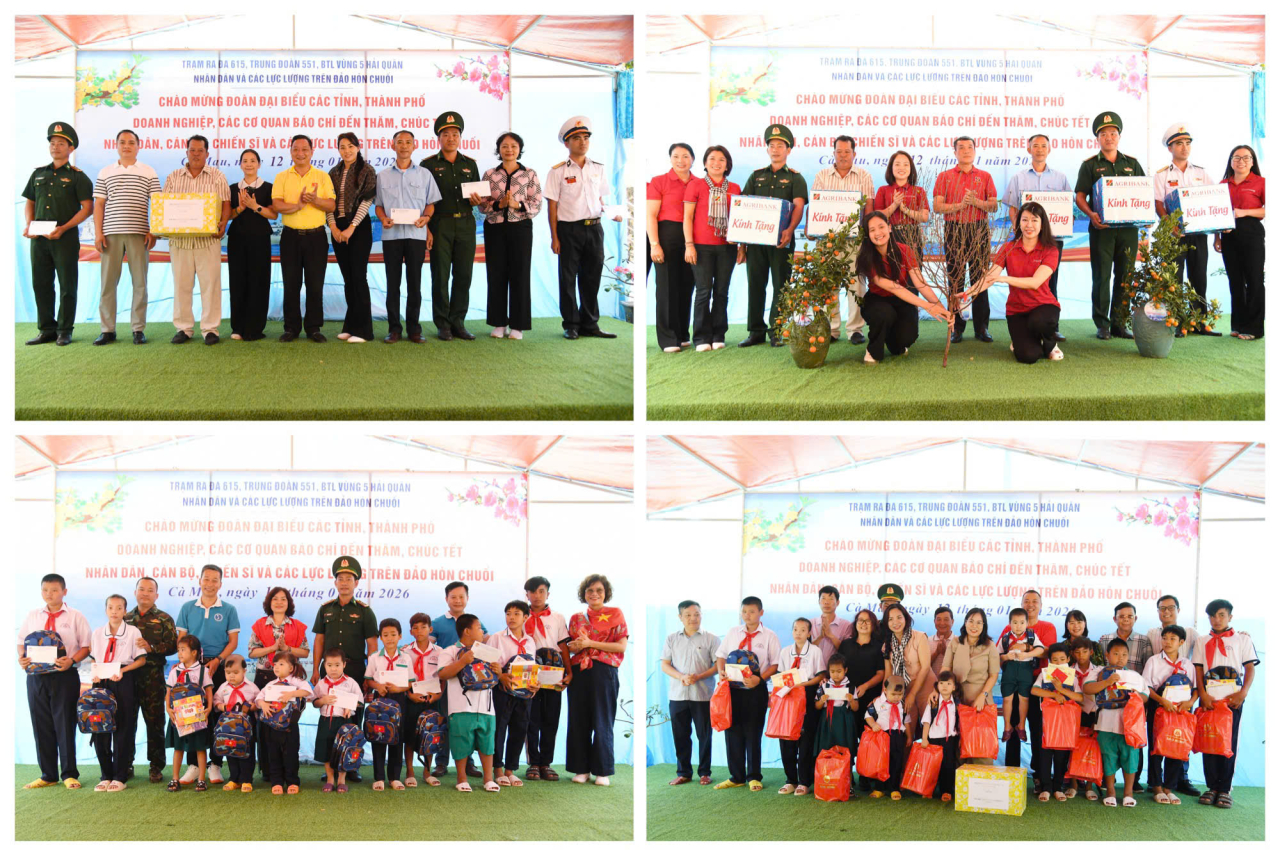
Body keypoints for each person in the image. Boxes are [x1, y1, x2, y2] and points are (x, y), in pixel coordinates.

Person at [546, 115, 620, 340]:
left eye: (586, 137)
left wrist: (611, 212)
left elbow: (600, 199)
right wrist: (554, 237)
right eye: (577, 138)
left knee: (592, 277)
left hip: (594, 229)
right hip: (569, 230)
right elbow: (552, 206)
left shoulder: (598, 168)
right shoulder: (558, 171)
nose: (582, 142)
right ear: (567, 143)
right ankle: (571, 324)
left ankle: (590, 323)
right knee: (568, 278)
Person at [22, 122, 94, 346]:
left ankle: (64, 330)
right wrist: (29, 225)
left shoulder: (77, 177)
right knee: (41, 283)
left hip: (65, 237)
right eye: (52, 143)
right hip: (39, 238)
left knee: (67, 284)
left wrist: (64, 227)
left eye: (61, 143)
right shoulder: (38, 174)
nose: (55, 147)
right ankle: (46, 329)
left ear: (71, 148)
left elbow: (87, 208)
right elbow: (30, 202)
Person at [1075, 111, 1145, 340]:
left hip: (1128, 230)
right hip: (1101, 230)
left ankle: (1119, 323)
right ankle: (1102, 324)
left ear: (1119, 136)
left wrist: (1145, 216)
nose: (1109, 138)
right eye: (1104, 134)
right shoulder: (1090, 165)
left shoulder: (1132, 164)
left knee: (1126, 275)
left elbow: (1143, 192)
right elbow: (1080, 196)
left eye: (1113, 133)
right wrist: (1091, 215)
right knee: (1102, 276)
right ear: (1097, 139)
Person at [739, 124, 808, 348]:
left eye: (780, 145)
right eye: (772, 145)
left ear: (789, 150)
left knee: (781, 286)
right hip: (756, 242)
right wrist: (742, 244)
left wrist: (790, 230)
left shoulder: (796, 178)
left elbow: (799, 206)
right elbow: (744, 207)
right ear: (767, 149)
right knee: (755, 285)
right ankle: (755, 331)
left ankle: (776, 331)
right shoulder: (756, 176)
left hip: (782, 241)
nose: (775, 149)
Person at [968, 201, 1063, 364]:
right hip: (1017, 310)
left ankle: (1050, 344)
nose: (1029, 225)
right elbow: (990, 277)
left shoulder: (1050, 250)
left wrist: (1004, 279)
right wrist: (967, 293)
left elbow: (1035, 282)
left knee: (1040, 322)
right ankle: (1022, 341)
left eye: (1034, 220)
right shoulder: (1008, 247)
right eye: (1025, 220)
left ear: (1042, 225)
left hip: (1043, 306)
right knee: (1029, 356)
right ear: (1018, 223)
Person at [854, 212, 950, 364]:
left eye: (881, 227)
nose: (878, 233)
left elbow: (920, 283)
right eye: (872, 230)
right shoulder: (867, 257)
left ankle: (892, 341)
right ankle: (873, 350)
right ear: (868, 235)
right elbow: (894, 288)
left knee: (906, 338)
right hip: (876, 300)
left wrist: (941, 308)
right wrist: (927, 306)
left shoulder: (905, 250)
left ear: (889, 228)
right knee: (884, 314)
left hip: (900, 300)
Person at [1003, 134, 1073, 342]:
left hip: (1051, 240)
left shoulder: (1060, 178)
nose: (1040, 149)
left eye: (1044, 146)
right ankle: (1025, 324)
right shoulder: (1018, 178)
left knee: (1050, 282)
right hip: (1026, 240)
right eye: (1035, 146)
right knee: (1024, 278)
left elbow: (1067, 206)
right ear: (1029, 149)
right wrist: (1019, 230)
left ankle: (1052, 328)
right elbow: (1013, 209)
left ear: (1049, 149)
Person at [174, 564, 239, 785]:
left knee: (217, 714)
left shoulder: (229, 609)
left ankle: (215, 764)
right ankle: (193, 765)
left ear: (220, 584)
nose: (210, 584)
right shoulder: (187, 607)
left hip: (218, 666)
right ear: (199, 581)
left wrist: (218, 660)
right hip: (192, 667)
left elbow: (233, 642)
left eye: (214, 580)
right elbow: (181, 640)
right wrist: (189, 663)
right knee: (192, 714)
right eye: (206, 579)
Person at [92, 129, 158, 346]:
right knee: (108, 283)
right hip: (110, 234)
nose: (126, 146)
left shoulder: (148, 171)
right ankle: (107, 330)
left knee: (140, 283)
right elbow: (99, 204)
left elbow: (157, 203)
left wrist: (153, 230)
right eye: (122, 142)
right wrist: (98, 233)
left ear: (139, 146)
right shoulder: (105, 172)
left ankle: (138, 329)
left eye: (131, 142)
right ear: (116, 145)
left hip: (139, 233)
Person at [1152, 124, 1219, 337]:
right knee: (1175, 279)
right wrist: (1169, 225)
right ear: (1170, 148)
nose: (1184, 147)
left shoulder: (1201, 172)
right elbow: (1158, 204)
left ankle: (1199, 322)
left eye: (1188, 143)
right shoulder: (1162, 175)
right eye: (1179, 143)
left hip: (1198, 234)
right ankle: (1177, 323)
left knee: (1199, 277)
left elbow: (1214, 199)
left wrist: (1217, 232)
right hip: (1174, 235)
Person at [162, 135, 229, 345]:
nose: (196, 154)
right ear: (186, 152)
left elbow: (226, 203)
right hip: (180, 242)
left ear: (207, 153)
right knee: (181, 286)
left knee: (210, 287)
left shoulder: (217, 176)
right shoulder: (173, 177)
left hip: (207, 241)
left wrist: (223, 223)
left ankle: (210, 329)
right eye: (192, 150)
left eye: (200, 150)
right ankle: (183, 328)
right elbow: (165, 205)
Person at [1192, 598, 1258, 809]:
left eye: (1221, 615)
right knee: (1210, 741)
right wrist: (1203, 694)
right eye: (1212, 616)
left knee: (1229, 743)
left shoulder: (1242, 639)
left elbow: (1250, 668)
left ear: (1230, 617)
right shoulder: (1202, 641)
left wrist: (1243, 693)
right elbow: (1199, 670)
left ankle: (1225, 789)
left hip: (1232, 700)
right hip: (1210, 700)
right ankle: (1212, 786)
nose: (1217, 619)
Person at [376, 130, 441, 344]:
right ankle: (394, 329)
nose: (404, 146)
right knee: (392, 284)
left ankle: (414, 329)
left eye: (408, 142)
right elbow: (378, 206)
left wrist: (426, 218)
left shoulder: (424, 174)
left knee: (414, 284)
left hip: (416, 235)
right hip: (392, 236)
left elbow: (430, 204)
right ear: (392, 145)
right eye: (400, 142)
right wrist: (383, 218)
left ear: (414, 146)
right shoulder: (383, 175)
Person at [476, 132, 541, 340]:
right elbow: (482, 204)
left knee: (520, 274)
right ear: (499, 149)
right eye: (504, 146)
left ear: (519, 149)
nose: (509, 150)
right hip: (494, 228)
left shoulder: (529, 174)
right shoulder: (489, 174)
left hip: (520, 228)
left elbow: (537, 203)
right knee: (496, 274)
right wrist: (499, 204)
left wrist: (517, 204)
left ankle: (518, 326)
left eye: (513, 146)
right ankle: (499, 323)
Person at [934, 136, 999, 343]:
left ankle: (982, 328)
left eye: (970, 147)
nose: (966, 151)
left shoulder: (985, 176)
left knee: (980, 279)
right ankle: (956, 327)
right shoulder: (944, 176)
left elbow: (994, 206)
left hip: (978, 229)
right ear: (955, 152)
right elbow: (937, 207)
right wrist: (960, 206)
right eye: (961, 148)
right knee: (956, 280)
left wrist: (975, 202)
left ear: (975, 151)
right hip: (954, 229)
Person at [422, 112, 480, 341]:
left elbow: (478, 197)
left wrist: (477, 201)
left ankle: (458, 322)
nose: (451, 138)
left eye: (455, 134)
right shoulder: (428, 165)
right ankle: (443, 324)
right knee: (440, 275)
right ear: (439, 138)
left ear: (460, 137)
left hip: (466, 223)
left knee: (464, 275)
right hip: (440, 224)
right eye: (446, 134)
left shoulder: (470, 164)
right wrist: (426, 228)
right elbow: (422, 200)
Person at [272, 134, 336, 343]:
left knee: (315, 285)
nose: (300, 153)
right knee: (291, 284)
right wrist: (298, 206)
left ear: (312, 151)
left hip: (316, 237)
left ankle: (313, 328)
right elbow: (277, 205)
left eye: (304, 149)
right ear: (290, 151)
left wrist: (315, 200)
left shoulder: (322, 176)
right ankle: (291, 328)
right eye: (296, 149)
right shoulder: (282, 177)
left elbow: (331, 205)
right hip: (290, 237)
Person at [566, 574, 628, 786]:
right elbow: (571, 646)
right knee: (578, 720)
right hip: (579, 672)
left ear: (606, 593)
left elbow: (621, 646)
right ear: (584, 594)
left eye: (599, 590)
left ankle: (602, 771)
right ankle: (581, 769)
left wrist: (590, 643)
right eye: (590, 590)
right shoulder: (576, 618)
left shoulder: (615, 614)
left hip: (604, 671)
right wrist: (576, 646)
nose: (594, 594)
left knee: (603, 720)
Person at [714, 595, 780, 791]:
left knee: (753, 733)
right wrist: (721, 672)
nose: (747, 615)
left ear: (761, 613)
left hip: (756, 689)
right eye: (744, 611)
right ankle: (736, 776)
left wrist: (760, 679)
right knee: (732, 731)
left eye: (752, 611)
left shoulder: (770, 635)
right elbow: (721, 656)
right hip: (733, 690)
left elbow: (775, 664)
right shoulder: (733, 632)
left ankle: (753, 776)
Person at [813, 135, 875, 343]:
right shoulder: (822, 176)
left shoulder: (864, 176)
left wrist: (866, 237)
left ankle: (855, 329)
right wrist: (812, 228)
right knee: (828, 285)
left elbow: (868, 208)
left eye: (847, 152)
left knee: (856, 285)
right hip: (827, 241)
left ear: (854, 154)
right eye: (839, 152)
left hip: (854, 241)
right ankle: (831, 329)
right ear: (833, 154)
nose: (843, 156)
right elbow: (815, 206)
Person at [997, 590, 1059, 791]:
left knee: (1038, 730)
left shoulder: (1047, 627)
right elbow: (999, 653)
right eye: (1026, 601)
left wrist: (1026, 648)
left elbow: (1049, 652)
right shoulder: (1008, 629)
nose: (1030, 604)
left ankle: (1039, 776)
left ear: (1041, 605)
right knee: (1014, 728)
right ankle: (1012, 773)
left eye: (1034, 601)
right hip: (1013, 681)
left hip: (1038, 684)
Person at [247, 586, 309, 781]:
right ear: (269, 602)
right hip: (266, 677)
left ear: (289, 603)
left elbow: (305, 652)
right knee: (266, 724)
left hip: (290, 679)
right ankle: (268, 771)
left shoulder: (297, 626)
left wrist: (286, 648)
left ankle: (288, 771)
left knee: (288, 721)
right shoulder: (260, 625)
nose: (279, 602)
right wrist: (273, 648)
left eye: (283, 599)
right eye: (275, 599)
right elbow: (252, 652)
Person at [683, 145, 741, 351]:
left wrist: (741, 245)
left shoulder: (735, 188)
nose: (717, 163)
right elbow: (687, 218)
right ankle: (701, 337)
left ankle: (718, 334)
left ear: (727, 165)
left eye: (722, 160)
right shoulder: (695, 185)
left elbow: (741, 219)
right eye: (712, 159)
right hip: (701, 247)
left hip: (727, 248)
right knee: (703, 292)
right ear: (705, 163)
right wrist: (689, 245)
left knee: (722, 292)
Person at [87, 594, 147, 791]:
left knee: (123, 726)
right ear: (106, 610)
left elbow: (141, 660)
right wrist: (95, 673)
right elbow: (94, 659)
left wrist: (123, 671)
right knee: (100, 725)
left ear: (125, 611)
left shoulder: (133, 631)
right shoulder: (97, 633)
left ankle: (120, 776)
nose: (114, 611)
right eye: (111, 607)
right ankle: (105, 775)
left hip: (123, 679)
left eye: (119, 608)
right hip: (101, 681)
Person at [1145, 594, 1202, 799]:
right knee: (1157, 746)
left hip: (1182, 709)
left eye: (1172, 639)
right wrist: (1162, 701)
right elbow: (1146, 687)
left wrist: (1190, 703)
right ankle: (1156, 786)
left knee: (1177, 744)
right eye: (1165, 638)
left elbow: (1196, 688)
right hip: (1159, 706)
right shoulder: (1153, 661)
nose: (1168, 642)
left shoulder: (1187, 664)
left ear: (1182, 642)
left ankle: (1170, 787)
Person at [435, 613, 500, 793]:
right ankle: (462, 778)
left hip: (486, 706)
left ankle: (488, 779)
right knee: (460, 742)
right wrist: (462, 662)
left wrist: (499, 671)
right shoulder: (449, 651)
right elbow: (443, 674)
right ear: (467, 631)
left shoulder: (487, 651)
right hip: (461, 706)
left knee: (487, 743)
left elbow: (494, 678)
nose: (482, 631)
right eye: (479, 628)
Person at [123, 577, 178, 783]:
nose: (145, 593)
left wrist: (151, 647)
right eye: (141, 589)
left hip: (153, 676)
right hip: (128, 677)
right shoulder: (125, 618)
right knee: (126, 721)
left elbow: (173, 646)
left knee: (155, 722)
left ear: (156, 595)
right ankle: (126, 764)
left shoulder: (164, 618)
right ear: (135, 592)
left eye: (149, 590)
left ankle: (156, 766)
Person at [432, 581, 488, 779]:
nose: (457, 600)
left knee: (467, 722)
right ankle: (441, 762)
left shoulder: (474, 622)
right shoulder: (437, 622)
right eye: (453, 597)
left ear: (467, 598)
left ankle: (469, 763)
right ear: (446, 599)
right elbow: (429, 646)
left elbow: (485, 642)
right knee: (445, 721)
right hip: (448, 680)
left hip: (472, 682)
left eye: (461, 597)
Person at [1085, 638, 1149, 807]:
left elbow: (1145, 695)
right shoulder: (1099, 672)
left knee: (1130, 757)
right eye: (1116, 653)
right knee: (1108, 757)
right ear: (1107, 655)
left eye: (1124, 654)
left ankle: (1128, 793)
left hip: (1129, 725)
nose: (1120, 658)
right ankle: (1111, 792)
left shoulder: (1134, 675)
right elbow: (1087, 688)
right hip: (1105, 723)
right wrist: (1107, 682)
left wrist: (1135, 695)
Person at [661, 599, 719, 786]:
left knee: (704, 735)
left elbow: (718, 666)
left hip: (703, 695)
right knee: (680, 735)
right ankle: (684, 772)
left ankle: (705, 773)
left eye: (696, 614)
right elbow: (665, 664)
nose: (693, 618)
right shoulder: (671, 638)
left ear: (701, 615)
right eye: (688, 615)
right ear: (680, 617)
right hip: (678, 695)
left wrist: (699, 676)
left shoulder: (711, 638)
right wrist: (681, 677)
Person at [327, 132, 378, 343]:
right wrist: (333, 227)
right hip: (337, 228)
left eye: (350, 146)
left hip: (358, 227)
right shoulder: (333, 172)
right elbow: (328, 203)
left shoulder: (367, 170)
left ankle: (364, 331)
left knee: (358, 277)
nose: (346, 150)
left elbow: (367, 202)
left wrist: (351, 227)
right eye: (342, 147)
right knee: (348, 279)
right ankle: (350, 326)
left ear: (358, 147)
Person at [524, 576, 573, 781]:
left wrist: (569, 672)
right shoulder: (520, 615)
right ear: (527, 594)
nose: (537, 596)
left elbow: (563, 646)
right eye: (533, 592)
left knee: (551, 718)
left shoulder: (558, 617)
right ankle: (533, 763)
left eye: (541, 591)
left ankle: (546, 763)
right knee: (531, 719)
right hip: (530, 672)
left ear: (548, 594)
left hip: (553, 672)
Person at [650, 143, 697, 352]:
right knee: (667, 287)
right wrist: (655, 244)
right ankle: (668, 338)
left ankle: (682, 334)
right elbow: (650, 215)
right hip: (667, 236)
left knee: (687, 285)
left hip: (692, 238)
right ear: (670, 159)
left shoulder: (699, 183)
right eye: (676, 156)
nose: (680, 160)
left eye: (685, 156)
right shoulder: (659, 181)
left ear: (693, 159)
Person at [1216, 145, 1265, 341]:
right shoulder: (1222, 184)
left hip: (1251, 233)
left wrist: (1244, 212)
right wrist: (1217, 237)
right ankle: (1238, 325)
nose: (1241, 161)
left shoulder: (1261, 182)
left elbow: (1268, 209)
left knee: (1254, 280)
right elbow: (1214, 212)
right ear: (1231, 161)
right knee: (1235, 281)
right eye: (1236, 157)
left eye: (1246, 157)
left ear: (1252, 162)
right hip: (1228, 236)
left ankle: (1254, 328)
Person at [226, 149, 276, 341]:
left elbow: (274, 214)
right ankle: (238, 328)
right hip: (237, 239)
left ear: (259, 164)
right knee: (237, 281)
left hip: (260, 238)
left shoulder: (268, 187)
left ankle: (255, 328)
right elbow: (227, 215)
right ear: (240, 165)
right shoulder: (232, 188)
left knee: (259, 281)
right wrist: (240, 208)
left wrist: (255, 207)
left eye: (253, 161)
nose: (249, 164)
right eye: (245, 161)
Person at [939, 607, 1000, 766]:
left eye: (979, 622)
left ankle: (981, 778)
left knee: (981, 744)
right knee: (957, 743)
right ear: (965, 623)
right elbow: (946, 668)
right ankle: (958, 778)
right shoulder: (956, 642)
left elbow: (993, 675)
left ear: (984, 625)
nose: (974, 626)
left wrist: (982, 696)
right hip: (957, 698)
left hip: (981, 700)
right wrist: (939, 689)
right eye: (971, 621)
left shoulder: (990, 646)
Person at [488, 600, 538, 786]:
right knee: (499, 729)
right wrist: (501, 676)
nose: (511, 617)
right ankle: (497, 769)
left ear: (526, 617)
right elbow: (488, 664)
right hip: (502, 691)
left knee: (519, 729)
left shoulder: (530, 641)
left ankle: (510, 770)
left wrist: (535, 685)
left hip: (525, 693)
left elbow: (532, 666)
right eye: (508, 613)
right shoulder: (497, 638)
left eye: (516, 614)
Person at [836, 608, 885, 790]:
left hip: (870, 698)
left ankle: (865, 775)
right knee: (847, 737)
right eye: (860, 620)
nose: (863, 624)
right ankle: (846, 774)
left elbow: (881, 673)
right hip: (847, 699)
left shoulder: (879, 646)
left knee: (866, 739)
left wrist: (865, 686)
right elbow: (838, 668)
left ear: (873, 625)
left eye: (867, 621)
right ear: (855, 624)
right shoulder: (846, 645)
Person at [776, 618, 826, 796]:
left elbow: (820, 675)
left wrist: (802, 684)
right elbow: (780, 676)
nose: (798, 633)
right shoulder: (785, 652)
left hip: (807, 696)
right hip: (788, 697)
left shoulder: (815, 651)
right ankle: (790, 780)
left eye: (803, 630)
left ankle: (804, 781)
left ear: (809, 633)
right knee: (786, 738)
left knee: (806, 740)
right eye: (795, 629)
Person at [1030, 643, 1085, 802]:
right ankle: (1046, 787)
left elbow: (1080, 697)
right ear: (1049, 661)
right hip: (1047, 720)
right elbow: (1034, 690)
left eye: (1062, 659)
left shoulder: (1073, 677)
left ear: (1068, 659)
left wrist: (1060, 689)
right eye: (1055, 660)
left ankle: (1058, 787)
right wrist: (1054, 695)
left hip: (1066, 721)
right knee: (1045, 754)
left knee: (1062, 754)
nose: (1059, 662)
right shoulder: (1045, 674)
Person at [256, 651, 314, 795]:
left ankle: (292, 782)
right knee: (273, 754)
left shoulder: (297, 682)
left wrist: (292, 693)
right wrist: (263, 704)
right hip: (272, 726)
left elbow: (308, 692)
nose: (276, 667)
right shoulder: (271, 684)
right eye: (275, 664)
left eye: (281, 664)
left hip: (290, 726)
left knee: (291, 754)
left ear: (291, 668)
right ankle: (276, 782)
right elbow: (258, 698)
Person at [364, 618, 412, 790]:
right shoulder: (374, 657)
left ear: (400, 636)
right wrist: (378, 686)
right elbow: (369, 679)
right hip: (380, 699)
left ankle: (394, 777)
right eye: (385, 635)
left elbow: (410, 682)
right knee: (378, 735)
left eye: (393, 634)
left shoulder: (406, 657)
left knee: (397, 737)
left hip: (399, 700)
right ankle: (378, 777)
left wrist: (399, 688)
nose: (389, 638)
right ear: (380, 637)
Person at [879, 602, 936, 740]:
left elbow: (925, 667)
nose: (895, 622)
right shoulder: (887, 645)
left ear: (906, 618)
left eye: (899, 617)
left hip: (925, 686)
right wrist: (883, 697)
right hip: (902, 690)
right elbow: (888, 675)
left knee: (931, 729)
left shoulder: (919, 637)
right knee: (906, 731)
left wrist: (912, 694)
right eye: (890, 619)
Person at [164, 635, 213, 791]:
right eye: (178, 650)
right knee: (178, 748)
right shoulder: (174, 671)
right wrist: (168, 708)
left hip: (197, 715)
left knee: (200, 747)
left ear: (194, 652)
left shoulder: (203, 671)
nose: (179, 653)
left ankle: (201, 779)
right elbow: (169, 692)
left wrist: (209, 708)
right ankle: (175, 778)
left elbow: (209, 691)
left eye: (183, 650)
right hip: (178, 716)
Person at [313, 647, 363, 793]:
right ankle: (330, 779)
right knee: (326, 749)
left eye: (337, 665)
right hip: (325, 721)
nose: (333, 669)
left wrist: (350, 706)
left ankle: (341, 780)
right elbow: (314, 702)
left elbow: (360, 701)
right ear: (324, 665)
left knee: (344, 750)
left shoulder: (350, 682)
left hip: (344, 722)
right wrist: (323, 700)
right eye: (329, 665)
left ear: (344, 665)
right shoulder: (321, 683)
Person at [403, 613, 442, 787]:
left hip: (433, 698)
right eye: (415, 628)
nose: (419, 631)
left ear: (430, 629)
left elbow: (443, 678)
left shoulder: (440, 652)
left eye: (423, 627)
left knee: (430, 734)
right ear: (411, 631)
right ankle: (410, 771)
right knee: (410, 735)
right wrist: (409, 695)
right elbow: (401, 677)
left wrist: (438, 695)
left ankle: (427, 771)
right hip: (412, 697)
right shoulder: (405, 652)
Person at [873, 150, 929, 269]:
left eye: (906, 164)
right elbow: (877, 217)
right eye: (897, 164)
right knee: (891, 271)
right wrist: (894, 205)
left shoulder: (918, 191)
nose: (901, 168)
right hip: (889, 235)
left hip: (913, 235)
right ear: (891, 168)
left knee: (914, 272)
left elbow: (924, 217)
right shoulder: (883, 190)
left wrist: (906, 210)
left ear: (911, 168)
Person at [211, 654, 259, 792]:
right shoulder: (223, 687)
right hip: (228, 725)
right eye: (228, 672)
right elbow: (216, 700)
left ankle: (246, 780)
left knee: (246, 751)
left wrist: (252, 706)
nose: (231, 676)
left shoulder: (251, 687)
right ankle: (234, 779)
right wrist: (222, 706)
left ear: (244, 671)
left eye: (236, 672)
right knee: (230, 750)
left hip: (246, 725)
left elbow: (259, 701)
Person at [1067, 635, 1103, 800]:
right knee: (1074, 747)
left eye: (1084, 651)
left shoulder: (1100, 671)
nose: (1081, 655)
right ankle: (1073, 784)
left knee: (1093, 747)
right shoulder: (1067, 671)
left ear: (1091, 652)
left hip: (1094, 713)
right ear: (1072, 653)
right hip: (1074, 713)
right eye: (1077, 652)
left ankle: (1089, 785)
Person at [814, 654, 858, 785]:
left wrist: (851, 700)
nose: (836, 675)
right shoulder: (824, 686)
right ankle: (827, 779)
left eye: (839, 671)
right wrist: (821, 701)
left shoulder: (851, 687)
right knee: (827, 748)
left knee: (846, 748)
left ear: (845, 670)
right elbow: (817, 706)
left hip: (844, 721)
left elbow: (856, 708)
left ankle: (847, 781)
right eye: (832, 671)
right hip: (828, 721)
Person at [866, 674, 911, 799]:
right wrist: (873, 724)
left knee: (897, 762)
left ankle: (894, 788)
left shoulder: (903, 705)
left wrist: (909, 736)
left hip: (898, 736)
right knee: (881, 763)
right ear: (885, 690)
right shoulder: (878, 702)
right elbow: (868, 715)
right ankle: (879, 788)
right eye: (893, 694)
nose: (897, 697)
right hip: (882, 736)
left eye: (900, 694)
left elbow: (907, 721)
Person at [918, 669, 961, 802]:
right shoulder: (933, 702)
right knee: (931, 766)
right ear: (937, 686)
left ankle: (946, 791)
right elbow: (926, 722)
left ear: (954, 687)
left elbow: (960, 723)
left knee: (948, 765)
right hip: (933, 739)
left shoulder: (957, 704)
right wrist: (924, 739)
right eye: (941, 683)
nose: (944, 686)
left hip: (949, 739)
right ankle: (927, 790)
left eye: (948, 684)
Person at [811, 584, 851, 664]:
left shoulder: (846, 625)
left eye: (831, 599)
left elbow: (847, 651)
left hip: (835, 670)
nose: (826, 602)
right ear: (819, 602)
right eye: (823, 598)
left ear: (837, 602)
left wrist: (831, 636)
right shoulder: (810, 624)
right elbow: (804, 649)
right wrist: (820, 637)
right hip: (813, 669)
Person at [929, 606, 954, 677]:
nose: (942, 623)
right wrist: (936, 653)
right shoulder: (927, 641)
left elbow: (961, 668)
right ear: (934, 621)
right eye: (939, 619)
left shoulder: (959, 642)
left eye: (946, 619)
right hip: (930, 682)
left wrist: (946, 653)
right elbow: (922, 667)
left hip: (952, 683)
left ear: (952, 621)